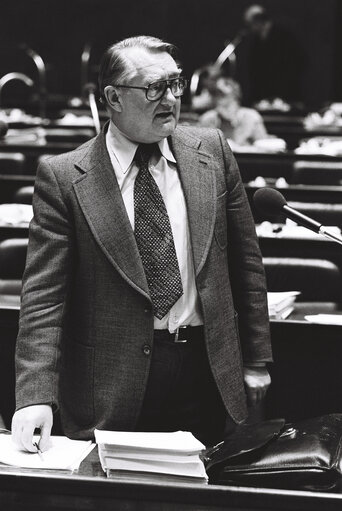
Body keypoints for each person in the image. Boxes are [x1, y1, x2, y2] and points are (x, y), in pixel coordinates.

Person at [12, 36, 272, 453]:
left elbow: (247, 264)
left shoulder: (212, 151)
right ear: (113, 97)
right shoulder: (64, 177)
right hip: (112, 381)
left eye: (176, 84)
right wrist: (35, 395)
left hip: (204, 370)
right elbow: (44, 297)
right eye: (154, 87)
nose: (170, 98)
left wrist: (256, 359)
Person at [242, 4, 305, 104]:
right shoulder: (256, 41)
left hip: (285, 94)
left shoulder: (284, 36)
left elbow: (296, 64)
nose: (250, 29)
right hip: (264, 95)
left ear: (258, 21)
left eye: (250, 25)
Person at [199, 76, 268, 146]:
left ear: (236, 96)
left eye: (223, 95)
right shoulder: (207, 118)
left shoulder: (251, 117)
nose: (219, 101)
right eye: (216, 94)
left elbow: (264, 148)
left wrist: (238, 149)